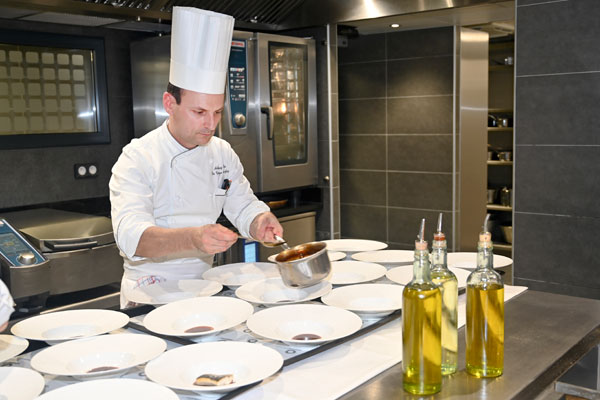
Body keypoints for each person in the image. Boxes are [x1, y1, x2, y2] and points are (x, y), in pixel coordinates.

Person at [109, 7, 282, 307]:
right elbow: (131, 237)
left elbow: (243, 205)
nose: (210, 124)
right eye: (199, 112)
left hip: (204, 288)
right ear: (169, 103)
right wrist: (192, 239)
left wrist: (259, 221)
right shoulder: (138, 158)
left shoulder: (221, 153)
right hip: (149, 293)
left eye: (216, 112)